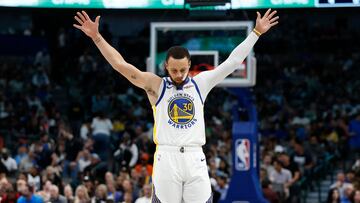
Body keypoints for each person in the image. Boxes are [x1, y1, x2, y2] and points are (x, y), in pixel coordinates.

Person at [73, 8, 278, 202]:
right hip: (166, 157)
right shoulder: (156, 85)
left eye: (182, 70)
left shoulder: (201, 83)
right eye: (174, 71)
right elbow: (121, 66)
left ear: (189, 65)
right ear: (166, 66)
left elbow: (233, 62)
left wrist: (257, 32)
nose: (179, 75)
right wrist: (97, 38)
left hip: (194, 156)